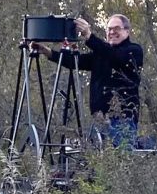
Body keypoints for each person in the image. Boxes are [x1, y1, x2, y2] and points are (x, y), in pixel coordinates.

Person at [31, 15, 144, 148]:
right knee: (100, 163)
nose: (112, 32)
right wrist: (47, 52)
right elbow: (75, 61)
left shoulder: (133, 51)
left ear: (127, 31)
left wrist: (89, 36)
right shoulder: (101, 53)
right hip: (100, 120)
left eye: (117, 28)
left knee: (122, 160)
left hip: (123, 120)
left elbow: (115, 57)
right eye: (109, 29)